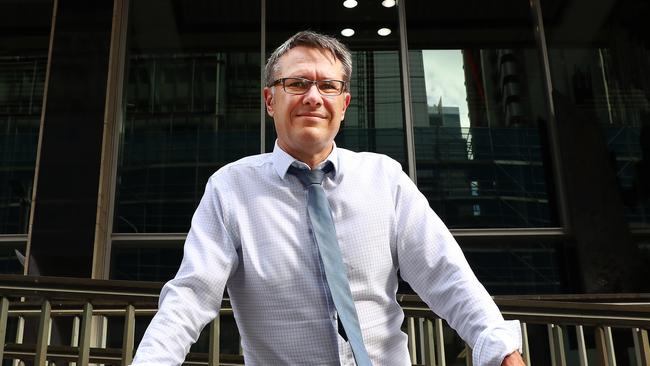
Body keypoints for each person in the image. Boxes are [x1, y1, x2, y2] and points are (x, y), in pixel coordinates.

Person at [131, 30, 525, 366]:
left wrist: (502, 349)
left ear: (344, 104)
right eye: (297, 83)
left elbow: (445, 273)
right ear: (270, 100)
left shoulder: (384, 178)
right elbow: (189, 297)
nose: (313, 97)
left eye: (328, 86)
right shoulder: (230, 189)